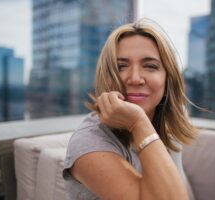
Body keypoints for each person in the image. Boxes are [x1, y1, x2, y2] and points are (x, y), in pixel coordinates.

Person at [63, 19, 198, 200]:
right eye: (121, 66)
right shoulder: (88, 141)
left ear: (168, 80)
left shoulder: (166, 125)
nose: (135, 79)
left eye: (150, 66)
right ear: (107, 77)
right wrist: (138, 123)